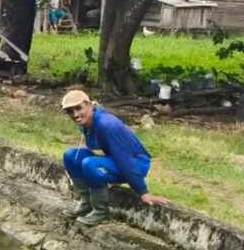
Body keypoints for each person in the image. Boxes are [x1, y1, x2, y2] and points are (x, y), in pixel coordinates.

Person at [60, 90, 168, 225]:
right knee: (71, 156)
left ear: (88, 105)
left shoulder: (107, 125)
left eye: (78, 108)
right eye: (70, 111)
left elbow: (125, 160)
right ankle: (86, 203)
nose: (75, 115)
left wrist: (143, 192)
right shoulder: (87, 122)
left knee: (90, 163)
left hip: (136, 164)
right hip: (115, 159)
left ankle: (101, 211)